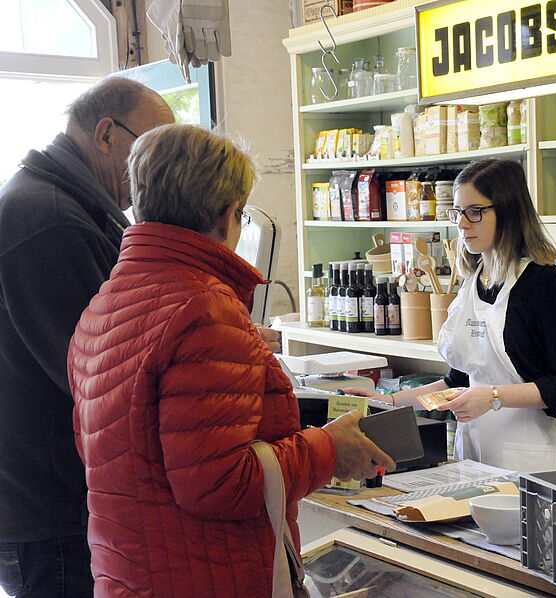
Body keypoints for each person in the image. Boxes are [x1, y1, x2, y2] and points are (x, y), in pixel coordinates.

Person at [67, 123, 395, 598]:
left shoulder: (106, 304)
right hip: (206, 573)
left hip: (131, 569)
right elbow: (218, 483)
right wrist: (327, 450)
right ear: (228, 215)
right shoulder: (202, 308)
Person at [0, 76, 175, 598]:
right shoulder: (52, 220)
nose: (155, 171)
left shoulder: (62, 205)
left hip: (47, 497)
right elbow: (98, 377)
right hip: (50, 508)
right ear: (105, 134)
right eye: (149, 149)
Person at [348, 159, 556, 472]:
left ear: (509, 211)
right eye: (458, 212)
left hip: (529, 457)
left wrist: (492, 397)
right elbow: (458, 381)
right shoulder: (474, 279)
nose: (462, 224)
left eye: (475, 212)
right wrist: (386, 403)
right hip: (472, 449)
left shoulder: (543, 284)